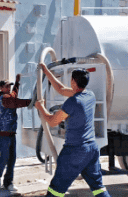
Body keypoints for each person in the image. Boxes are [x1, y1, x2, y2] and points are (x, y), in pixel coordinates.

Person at [35, 63, 111, 197]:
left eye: (71, 79)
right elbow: (61, 89)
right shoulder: (90, 95)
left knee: (56, 190)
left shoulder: (72, 102)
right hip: (91, 149)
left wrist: (40, 107)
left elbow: (53, 122)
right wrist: (46, 71)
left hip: (75, 151)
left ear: (74, 82)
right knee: (98, 187)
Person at [0, 74, 31, 191]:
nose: (8, 88)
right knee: (4, 157)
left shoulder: (9, 96)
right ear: (1, 88)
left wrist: (17, 83)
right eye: (6, 86)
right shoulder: (4, 98)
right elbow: (16, 102)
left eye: (9, 86)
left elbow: (14, 95)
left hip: (10, 133)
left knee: (12, 159)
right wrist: (32, 102)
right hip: (2, 133)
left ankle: (8, 182)